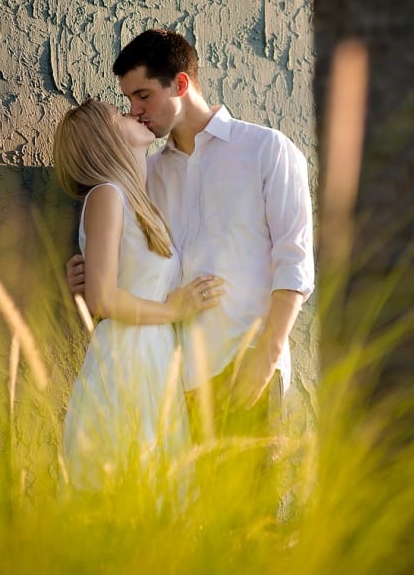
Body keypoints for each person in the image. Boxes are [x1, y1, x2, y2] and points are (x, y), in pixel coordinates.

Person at [66, 29, 315, 427]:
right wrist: (89, 273)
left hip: (244, 365)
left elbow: (294, 262)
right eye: (128, 100)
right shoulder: (145, 177)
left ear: (180, 85)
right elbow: (123, 264)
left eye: (143, 95)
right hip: (171, 386)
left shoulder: (266, 149)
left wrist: (268, 355)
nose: (135, 110)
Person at [53, 99, 224, 490]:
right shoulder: (106, 195)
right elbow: (102, 300)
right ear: (105, 138)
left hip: (154, 360)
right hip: (126, 361)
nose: (133, 113)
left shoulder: (137, 201)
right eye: (120, 114)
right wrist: (174, 310)